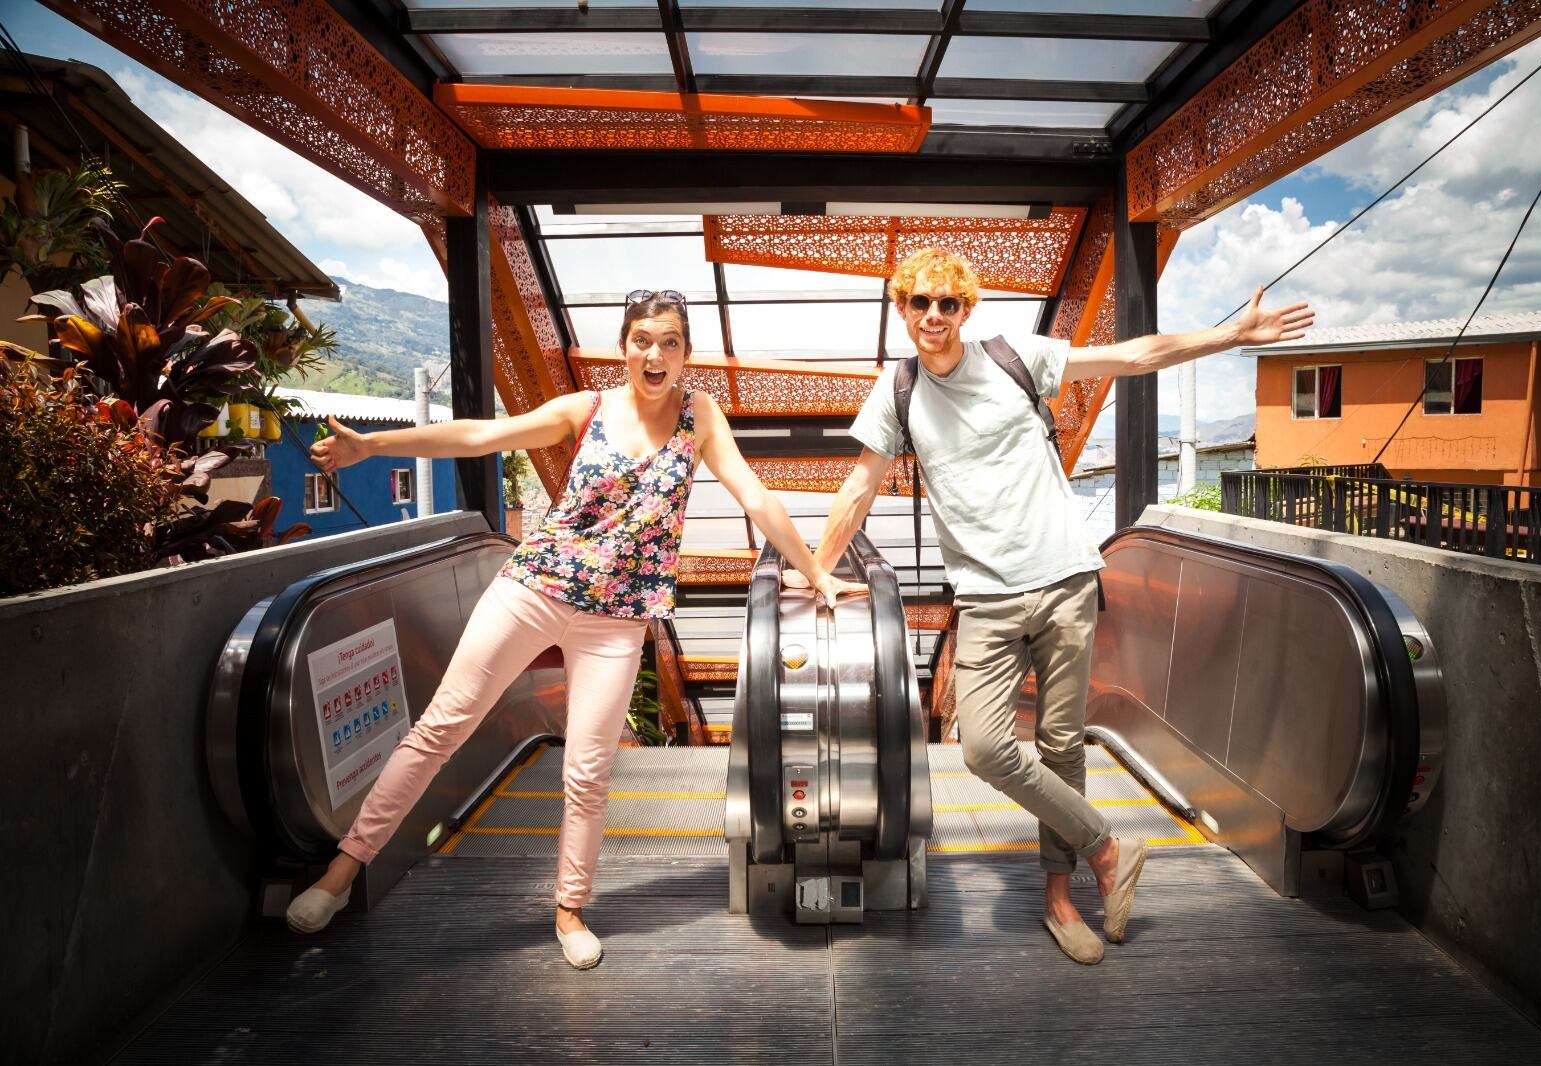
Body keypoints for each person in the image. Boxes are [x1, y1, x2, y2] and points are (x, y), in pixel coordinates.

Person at [286, 290, 863, 970]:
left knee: (587, 771)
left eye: (670, 342)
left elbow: (754, 495)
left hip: (617, 621)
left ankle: (568, 909)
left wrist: (817, 574)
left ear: (685, 354)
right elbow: (480, 434)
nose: (656, 354)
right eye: (643, 339)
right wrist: (374, 445)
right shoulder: (584, 410)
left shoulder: (698, 416)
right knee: (441, 727)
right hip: (533, 590)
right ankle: (341, 872)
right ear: (625, 346)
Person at [808, 249, 1313, 964]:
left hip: (1067, 582)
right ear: (902, 309)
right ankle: (1107, 848)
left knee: (1060, 747)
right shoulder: (896, 391)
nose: (933, 316)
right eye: (919, 302)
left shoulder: (1016, 356)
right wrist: (817, 572)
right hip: (984, 596)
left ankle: (1060, 899)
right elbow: (858, 487)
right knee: (983, 746)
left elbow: (1135, 355)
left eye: (947, 303)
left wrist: (1231, 335)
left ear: (967, 309)